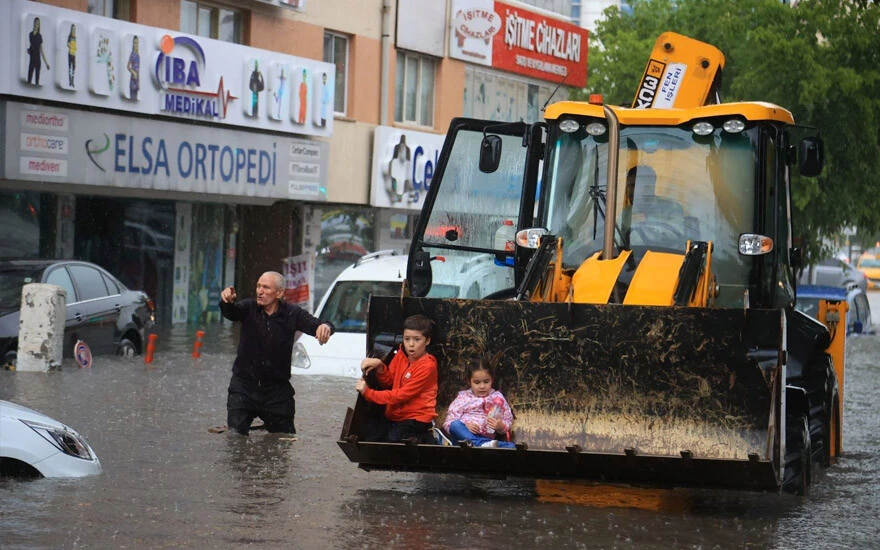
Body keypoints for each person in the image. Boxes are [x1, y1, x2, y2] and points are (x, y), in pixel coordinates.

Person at [219, 271, 334, 435]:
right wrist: (227, 301)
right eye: (258, 286)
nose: (260, 291)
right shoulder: (249, 308)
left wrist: (326, 327)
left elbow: (318, 325)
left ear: (279, 293)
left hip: (277, 392)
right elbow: (231, 312)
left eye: (266, 287)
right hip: (244, 387)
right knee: (235, 438)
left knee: (284, 440)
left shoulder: (292, 313)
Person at [356, 314, 438, 443]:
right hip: (396, 415)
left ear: (427, 341)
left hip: (417, 418)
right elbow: (388, 382)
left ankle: (428, 439)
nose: (411, 344)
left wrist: (368, 393)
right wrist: (380, 367)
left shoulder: (428, 365)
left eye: (417, 339)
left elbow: (401, 395)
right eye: (407, 339)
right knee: (372, 436)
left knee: (394, 439)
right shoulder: (401, 354)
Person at [442, 359, 516, 448]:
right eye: (477, 382)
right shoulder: (463, 397)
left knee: (512, 447)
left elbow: (508, 419)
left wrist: (501, 426)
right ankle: (479, 444)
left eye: (486, 382)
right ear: (469, 381)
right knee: (455, 425)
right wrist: (465, 426)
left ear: (492, 380)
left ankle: (481, 444)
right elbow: (448, 423)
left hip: (487, 440)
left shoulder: (498, 398)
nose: (482, 386)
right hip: (464, 439)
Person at [26, 17, 50, 86]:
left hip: (37, 61)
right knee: (29, 81)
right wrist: (29, 50)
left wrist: (46, 64)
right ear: (34, 23)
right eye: (36, 23)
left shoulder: (39, 36)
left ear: (39, 25)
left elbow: (42, 51)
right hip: (31, 60)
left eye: (38, 23)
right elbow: (31, 45)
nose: (36, 25)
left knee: (37, 82)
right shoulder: (30, 34)